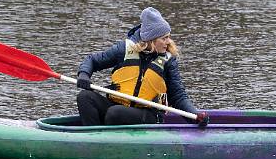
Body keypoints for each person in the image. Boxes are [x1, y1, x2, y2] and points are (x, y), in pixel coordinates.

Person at [76, 7, 209, 127]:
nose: (168, 42)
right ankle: (94, 137)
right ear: (151, 40)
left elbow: (178, 96)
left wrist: (195, 115)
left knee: (115, 113)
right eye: (164, 38)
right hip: (118, 106)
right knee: (85, 97)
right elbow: (92, 60)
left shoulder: (168, 61)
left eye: (168, 37)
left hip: (149, 114)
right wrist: (84, 74)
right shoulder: (123, 50)